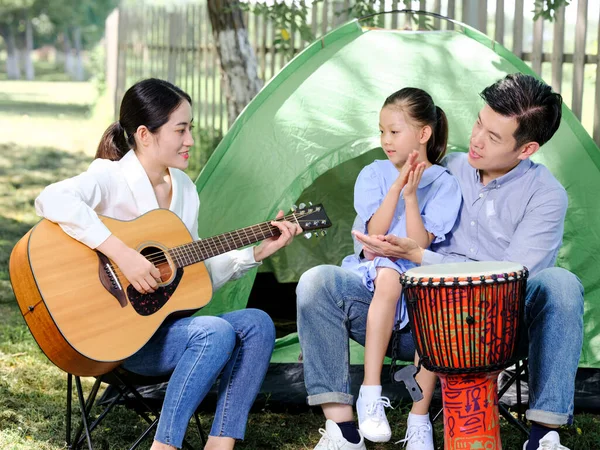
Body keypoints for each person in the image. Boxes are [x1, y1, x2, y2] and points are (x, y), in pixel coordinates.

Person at [35, 78, 301, 450]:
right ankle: (165, 446)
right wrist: (123, 255)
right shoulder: (109, 178)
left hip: (167, 331)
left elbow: (188, 277)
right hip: (116, 336)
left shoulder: (185, 190)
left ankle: (220, 444)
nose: (190, 139)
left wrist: (254, 255)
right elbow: (53, 198)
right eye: (181, 129)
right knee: (214, 332)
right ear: (145, 134)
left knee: (257, 323)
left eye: (189, 128)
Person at [353, 73, 584, 450]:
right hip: (424, 314)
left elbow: (512, 279)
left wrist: (416, 254)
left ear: (526, 149)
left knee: (561, 284)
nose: (476, 139)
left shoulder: (545, 195)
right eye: (479, 122)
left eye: (493, 137)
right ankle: (345, 427)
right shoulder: (447, 169)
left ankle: (545, 435)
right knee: (322, 283)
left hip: (501, 323)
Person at [297, 88, 462, 449]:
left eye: (394, 131)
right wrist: (395, 188)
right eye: (382, 131)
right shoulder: (374, 174)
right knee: (387, 274)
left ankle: (419, 422)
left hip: (419, 280)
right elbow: (375, 231)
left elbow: (421, 244)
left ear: (423, 134)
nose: (385, 140)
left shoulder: (446, 184)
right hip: (377, 278)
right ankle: (369, 395)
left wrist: (411, 196)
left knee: (426, 294)